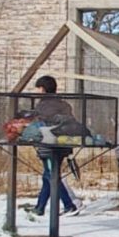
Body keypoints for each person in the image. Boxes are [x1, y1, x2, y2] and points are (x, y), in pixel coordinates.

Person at [32, 75, 80, 216]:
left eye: (38, 88)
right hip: (63, 145)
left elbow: (40, 126)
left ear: (43, 89)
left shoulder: (43, 106)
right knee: (49, 175)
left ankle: (69, 205)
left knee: (51, 175)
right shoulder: (64, 104)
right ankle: (39, 208)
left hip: (48, 147)